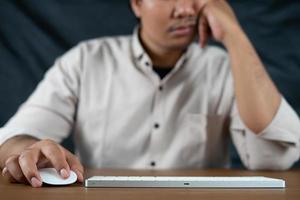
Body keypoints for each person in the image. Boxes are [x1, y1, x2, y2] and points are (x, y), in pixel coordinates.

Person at [0, 0, 299, 188]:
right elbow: (11, 137)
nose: (185, 9)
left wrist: (234, 35)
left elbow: (273, 159)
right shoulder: (86, 60)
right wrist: (29, 150)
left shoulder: (222, 67)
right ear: (136, 4)